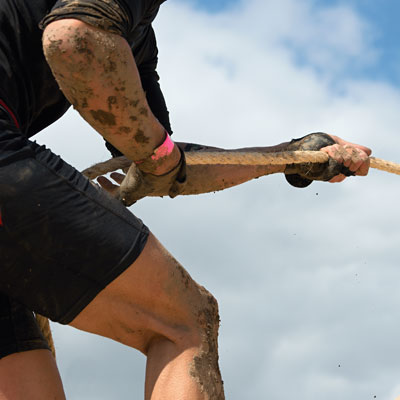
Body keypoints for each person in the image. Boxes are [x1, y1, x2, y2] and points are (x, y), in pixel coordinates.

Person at [0, 0, 371, 399]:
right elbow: (73, 38)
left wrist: (290, 157)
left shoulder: (136, 36)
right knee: (184, 325)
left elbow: (163, 166)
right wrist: (158, 157)